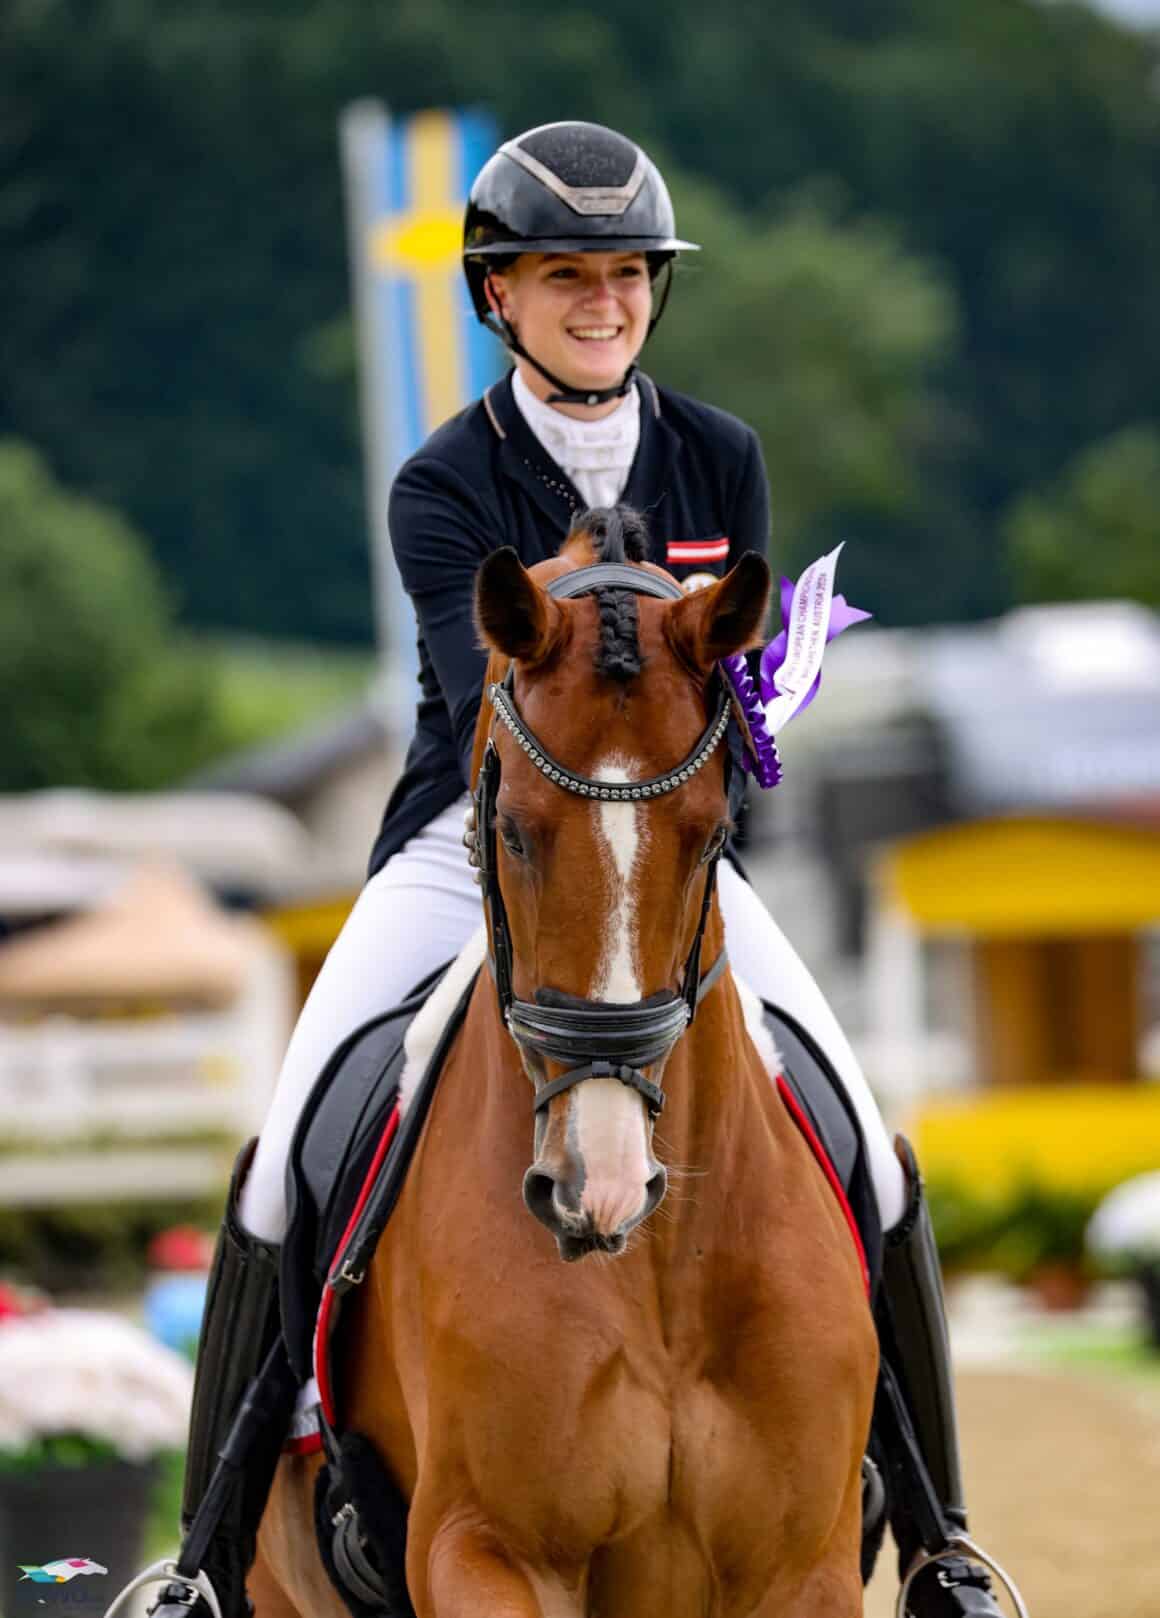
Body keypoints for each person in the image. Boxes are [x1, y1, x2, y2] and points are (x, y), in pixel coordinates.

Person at [161, 121, 1013, 1618]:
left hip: (671, 845)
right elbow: (477, 689)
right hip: (481, 833)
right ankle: (206, 1551)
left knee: (870, 1146)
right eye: (567, 276)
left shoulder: (720, 458)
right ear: (499, 294)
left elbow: (736, 695)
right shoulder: (444, 482)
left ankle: (942, 1540)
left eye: (625, 274)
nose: (603, 301)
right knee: (291, 1144)